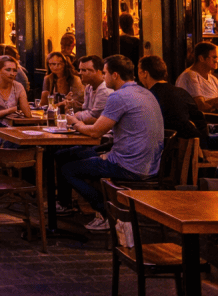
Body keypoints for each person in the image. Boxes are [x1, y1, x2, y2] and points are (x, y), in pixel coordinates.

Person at [61, 55, 165, 231]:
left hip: (128, 166)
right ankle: (101, 210)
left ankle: (106, 211)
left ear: (115, 75)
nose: (103, 77)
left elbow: (96, 131)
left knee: (67, 168)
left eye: (105, 73)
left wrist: (75, 123)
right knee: (70, 155)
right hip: (152, 165)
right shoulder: (146, 92)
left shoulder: (119, 96)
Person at [138, 55, 210, 145]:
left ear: (145, 73)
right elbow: (199, 120)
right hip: (195, 144)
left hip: (167, 149)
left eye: (139, 71)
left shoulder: (145, 97)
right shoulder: (182, 92)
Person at [65, 55, 112, 123]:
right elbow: (85, 110)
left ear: (98, 71)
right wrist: (71, 104)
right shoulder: (89, 87)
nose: (80, 73)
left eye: (84, 70)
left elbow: (94, 116)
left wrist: (75, 115)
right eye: (80, 70)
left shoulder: (104, 89)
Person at [175, 42, 218, 113]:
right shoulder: (189, 76)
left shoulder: (213, 79)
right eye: (214, 57)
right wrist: (214, 104)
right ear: (201, 58)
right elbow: (199, 106)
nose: (217, 60)